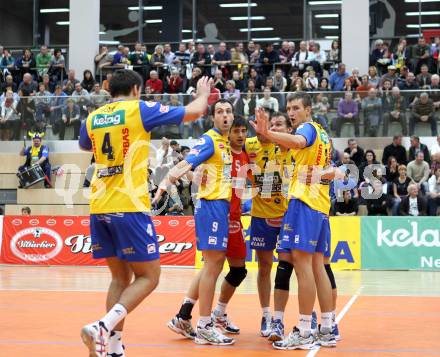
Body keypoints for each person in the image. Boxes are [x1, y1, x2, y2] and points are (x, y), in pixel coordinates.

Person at [78, 70, 212, 356]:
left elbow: (84, 145)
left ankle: (112, 348)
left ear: (109, 89)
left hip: (99, 204)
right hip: (129, 204)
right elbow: (193, 113)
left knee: (119, 278)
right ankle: (102, 327)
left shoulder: (93, 117)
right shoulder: (138, 108)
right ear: (137, 90)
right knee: (150, 276)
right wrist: (202, 94)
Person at [252, 92, 341, 350]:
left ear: (308, 110)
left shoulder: (307, 130)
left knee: (302, 266)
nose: (291, 113)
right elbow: (333, 171)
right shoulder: (325, 135)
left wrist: (267, 132)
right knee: (317, 266)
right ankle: (326, 327)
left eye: (296, 108)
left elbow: (299, 141)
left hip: (304, 203)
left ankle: (303, 329)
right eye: (289, 108)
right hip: (320, 205)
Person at [154, 99, 234, 346]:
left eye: (228, 111)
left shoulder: (225, 143)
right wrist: (166, 181)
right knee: (213, 266)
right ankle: (205, 325)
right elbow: (187, 162)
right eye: (220, 112)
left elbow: (197, 172)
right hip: (211, 206)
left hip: (220, 206)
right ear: (213, 118)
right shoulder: (209, 140)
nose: (225, 116)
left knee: (214, 265)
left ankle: (185, 317)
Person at [166, 116, 249, 342]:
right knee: (212, 265)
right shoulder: (216, 148)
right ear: (227, 133)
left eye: (244, 131)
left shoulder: (243, 153)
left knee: (232, 269)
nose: (240, 135)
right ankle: (203, 320)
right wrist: (175, 176)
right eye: (236, 131)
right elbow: (193, 170)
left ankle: (191, 316)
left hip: (232, 217)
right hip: (215, 210)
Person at [244, 112, 296, 341]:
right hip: (261, 215)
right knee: (264, 266)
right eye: (269, 124)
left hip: (288, 216)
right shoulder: (249, 145)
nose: (271, 127)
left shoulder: (290, 146)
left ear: (288, 129)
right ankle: (266, 314)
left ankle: (286, 317)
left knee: (290, 266)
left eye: (278, 125)